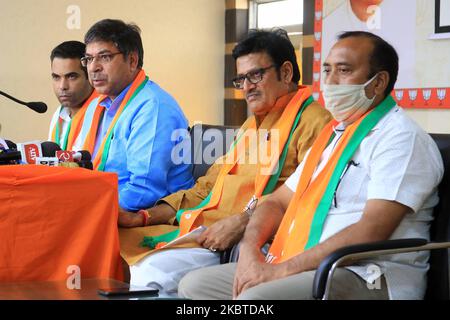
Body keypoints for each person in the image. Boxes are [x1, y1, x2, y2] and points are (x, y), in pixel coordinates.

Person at [178, 31, 444, 300]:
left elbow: (371, 230)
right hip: (303, 261)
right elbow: (277, 203)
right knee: (194, 286)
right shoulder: (335, 135)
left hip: (365, 275)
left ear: (378, 83)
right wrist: (250, 252)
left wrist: (280, 271)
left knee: (255, 300)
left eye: (344, 70)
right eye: (327, 70)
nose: (330, 81)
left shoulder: (400, 138)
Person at [118, 29, 332, 296]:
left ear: (286, 72)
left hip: (243, 241)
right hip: (202, 228)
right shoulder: (250, 126)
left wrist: (243, 223)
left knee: (150, 274)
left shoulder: (316, 124)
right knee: (113, 247)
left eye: (255, 75)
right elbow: (208, 186)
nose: (247, 87)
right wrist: (143, 217)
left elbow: (307, 202)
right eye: (241, 79)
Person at [78, 19, 194, 211]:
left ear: (132, 60)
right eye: (89, 59)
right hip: (106, 206)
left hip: (150, 218)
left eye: (104, 57)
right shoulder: (97, 106)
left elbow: (144, 192)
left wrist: (91, 214)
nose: (93, 67)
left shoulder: (152, 107)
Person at [49, 41, 97, 151]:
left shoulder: (104, 113)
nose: (62, 86)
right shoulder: (59, 114)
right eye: (56, 77)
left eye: (71, 77)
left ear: (89, 75)